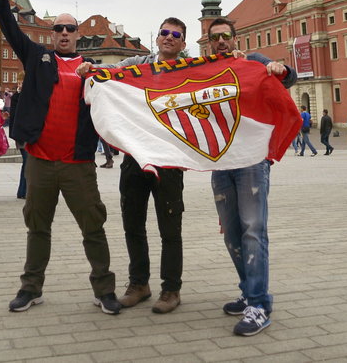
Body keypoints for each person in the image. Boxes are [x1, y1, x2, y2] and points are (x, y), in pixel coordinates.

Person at [0, 0, 120, 316]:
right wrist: (2, 2)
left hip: (77, 162)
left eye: (70, 28)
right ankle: (30, 288)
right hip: (40, 160)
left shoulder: (91, 68)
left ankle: (104, 290)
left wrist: (95, 75)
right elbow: (10, 30)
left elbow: (125, 89)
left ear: (78, 34)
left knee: (93, 226)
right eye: (59, 28)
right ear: (52, 34)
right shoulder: (38, 57)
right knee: (38, 226)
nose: (64, 33)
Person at [205, 17, 294, 336]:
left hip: (252, 160)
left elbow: (288, 76)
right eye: (215, 38)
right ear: (209, 42)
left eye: (225, 36)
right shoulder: (204, 71)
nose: (221, 42)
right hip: (221, 161)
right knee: (231, 231)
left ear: (234, 38)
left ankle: (259, 304)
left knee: (253, 230)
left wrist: (278, 68)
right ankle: (248, 291)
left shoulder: (253, 62)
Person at [106, 18, 189, 314]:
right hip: (135, 156)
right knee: (133, 223)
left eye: (175, 35)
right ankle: (139, 284)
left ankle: (171, 289)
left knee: (170, 226)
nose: (168, 38)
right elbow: (110, 73)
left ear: (182, 43)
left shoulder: (192, 69)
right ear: (157, 37)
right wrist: (90, 70)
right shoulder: (137, 63)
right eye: (164, 33)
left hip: (169, 159)